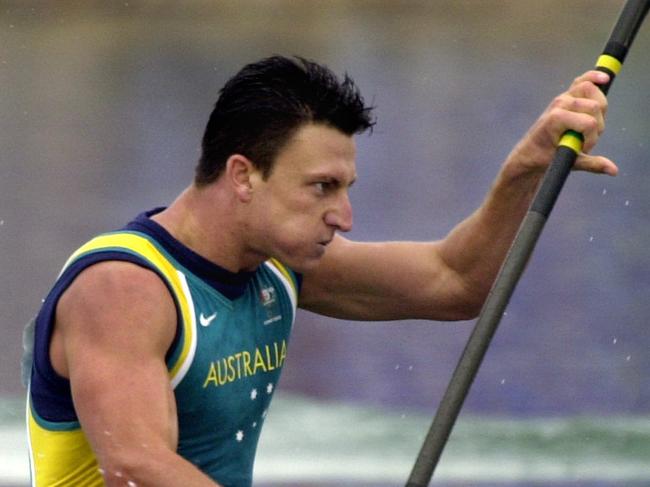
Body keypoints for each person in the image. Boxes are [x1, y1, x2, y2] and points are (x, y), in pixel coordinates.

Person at [24, 55, 616, 486]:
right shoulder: (124, 288)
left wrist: (526, 168)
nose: (346, 217)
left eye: (346, 187)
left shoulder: (276, 266)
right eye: (322, 188)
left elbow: (455, 282)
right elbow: (137, 468)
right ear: (242, 175)